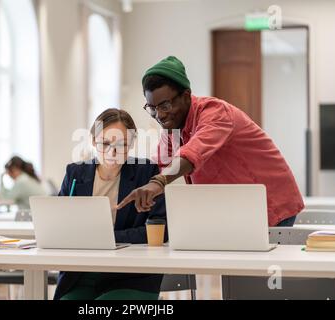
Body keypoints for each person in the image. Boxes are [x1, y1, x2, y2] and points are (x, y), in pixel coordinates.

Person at [117, 56, 304, 227]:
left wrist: (158, 182)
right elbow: (160, 164)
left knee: (253, 263)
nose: (160, 115)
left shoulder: (216, 113)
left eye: (165, 105)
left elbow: (192, 154)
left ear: (185, 96)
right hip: (235, 209)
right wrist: (121, 180)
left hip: (271, 204)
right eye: (152, 108)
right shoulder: (173, 126)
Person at [55, 108, 167, 300]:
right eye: (104, 143)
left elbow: (160, 229)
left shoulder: (146, 172)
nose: (112, 151)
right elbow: (58, 223)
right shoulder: (75, 173)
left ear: (131, 144)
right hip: (81, 275)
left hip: (132, 276)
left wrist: (107, 238)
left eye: (121, 144)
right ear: (92, 141)